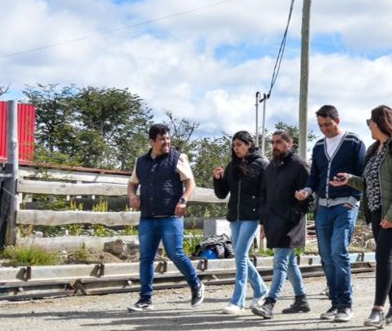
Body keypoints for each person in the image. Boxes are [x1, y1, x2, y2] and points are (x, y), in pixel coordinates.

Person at [331, 105, 392, 329]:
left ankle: (378, 310)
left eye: (370, 122)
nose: (369, 126)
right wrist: (350, 179)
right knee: (391, 258)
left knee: (382, 255)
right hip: (376, 209)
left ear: (381, 123)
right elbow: (370, 183)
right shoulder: (374, 149)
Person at [295, 105, 365, 323]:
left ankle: (345, 304)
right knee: (326, 256)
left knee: (338, 252)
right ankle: (334, 303)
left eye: (327, 124)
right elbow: (314, 175)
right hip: (323, 207)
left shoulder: (353, 142)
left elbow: (364, 173)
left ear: (337, 120)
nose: (324, 129)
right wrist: (307, 190)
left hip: (345, 205)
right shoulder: (318, 146)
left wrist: (354, 199)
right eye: (320, 125)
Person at [126, 124, 205, 312]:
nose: (167, 142)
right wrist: (132, 196)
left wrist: (184, 200)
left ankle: (196, 284)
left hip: (171, 216)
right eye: (162, 140)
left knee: (176, 253)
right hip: (148, 217)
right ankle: (145, 299)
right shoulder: (141, 162)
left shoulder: (178, 158)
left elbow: (190, 183)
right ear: (152, 141)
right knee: (146, 258)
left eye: (168, 139)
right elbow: (131, 184)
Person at [252, 131, 312, 318]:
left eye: (278, 142)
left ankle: (270, 303)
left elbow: (310, 197)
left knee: (280, 262)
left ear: (289, 143)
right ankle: (301, 299)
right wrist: (264, 220)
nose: (275, 146)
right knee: (290, 263)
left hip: (291, 224)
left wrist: (294, 213)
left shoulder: (300, 165)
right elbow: (263, 195)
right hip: (273, 222)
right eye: (273, 142)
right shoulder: (271, 168)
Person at [212, 131, 269, 314]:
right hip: (235, 217)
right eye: (234, 145)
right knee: (240, 256)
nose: (236, 148)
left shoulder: (262, 164)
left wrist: (265, 219)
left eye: (239, 144)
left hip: (252, 217)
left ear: (249, 144)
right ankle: (261, 290)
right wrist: (217, 179)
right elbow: (222, 194)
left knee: (241, 255)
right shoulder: (232, 165)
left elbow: (267, 194)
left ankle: (238, 301)